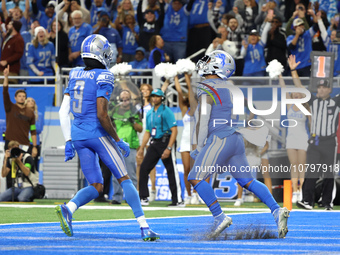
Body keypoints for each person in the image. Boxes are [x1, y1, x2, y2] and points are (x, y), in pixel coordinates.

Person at [56, 34, 159, 241]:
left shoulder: (75, 73)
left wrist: (68, 140)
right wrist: (117, 140)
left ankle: (69, 208)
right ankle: (144, 226)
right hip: (96, 132)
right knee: (125, 178)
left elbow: (62, 111)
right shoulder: (103, 75)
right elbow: (102, 114)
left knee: (96, 186)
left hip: (77, 134)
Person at [189, 50, 289, 239]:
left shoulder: (208, 86)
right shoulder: (228, 86)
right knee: (248, 181)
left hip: (220, 138)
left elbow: (203, 119)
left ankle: (219, 217)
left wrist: (199, 146)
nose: (206, 61)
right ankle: (276, 210)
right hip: (235, 139)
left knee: (195, 177)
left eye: (210, 59)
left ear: (217, 65)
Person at [288, 55, 338, 211]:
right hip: (315, 142)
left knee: (329, 173)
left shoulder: (336, 102)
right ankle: (307, 201)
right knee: (311, 172)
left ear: (329, 89)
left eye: (324, 87)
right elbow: (300, 88)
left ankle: (327, 202)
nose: (321, 89)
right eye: (320, 87)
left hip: (330, 142)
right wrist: (293, 70)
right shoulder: (313, 101)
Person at [137, 88, 183, 206]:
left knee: (171, 171)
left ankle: (177, 200)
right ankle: (143, 197)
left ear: (162, 98)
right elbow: (147, 131)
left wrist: (168, 148)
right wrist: (142, 148)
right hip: (154, 142)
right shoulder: (150, 113)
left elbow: (174, 130)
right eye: (153, 96)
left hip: (165, 141)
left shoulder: (166, 111)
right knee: (144, 168)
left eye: (157, 96)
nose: (154, 98)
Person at [3, 65, 38, 190]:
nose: (22, 98)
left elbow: (33, 131)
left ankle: (27, 190)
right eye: (19, 96)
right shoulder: (10, 107)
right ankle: (9, 191)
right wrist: (6, 77)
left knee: (25, 167)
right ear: (15, 98)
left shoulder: (30, 113)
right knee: (8, 165)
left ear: (25, 98)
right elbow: (5, 91)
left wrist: (34, 146)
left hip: (24, 144)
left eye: (24, 96)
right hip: (10, 143)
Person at [279, 73, 310, 203]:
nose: (296, 95)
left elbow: (312, 122)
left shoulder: (306, 107)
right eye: (294, 94)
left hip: (303, 138)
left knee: (302, 165)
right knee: (293, 165)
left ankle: (302, 191)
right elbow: (283, 88)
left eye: (299, 94)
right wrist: (280, 75)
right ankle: (295, 192)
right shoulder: (289, 106)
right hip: (291, 139)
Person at [109, 90, 143, 204]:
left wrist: (133, 122)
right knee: (115, 174)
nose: (125, 100)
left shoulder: (135, 112)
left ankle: (131, 198)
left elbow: (140, 128)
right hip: (117, 145)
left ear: (130, 99)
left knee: (131, 173)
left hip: (131, 146)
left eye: (127, 98)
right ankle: (116, 197)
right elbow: (111, 127)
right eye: (123, 98)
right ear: (119, 99)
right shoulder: (114, 112)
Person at [136, 84, 157, 201]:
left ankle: (153, 189)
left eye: (147, 89)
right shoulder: (137, 105)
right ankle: (139, 188)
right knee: (139, 163)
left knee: (151, 163)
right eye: (142, 89)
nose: (144, 91)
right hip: (139, 134)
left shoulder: (153, 104)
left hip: (149, 134)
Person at [25, 97, 44, 172]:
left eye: (32, 101)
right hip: (24, 142)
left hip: (35, 143)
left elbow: (38, 129)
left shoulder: (39, 115)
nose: (31, 102)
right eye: (29, 101)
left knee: (34, 163)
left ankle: (34, 180)